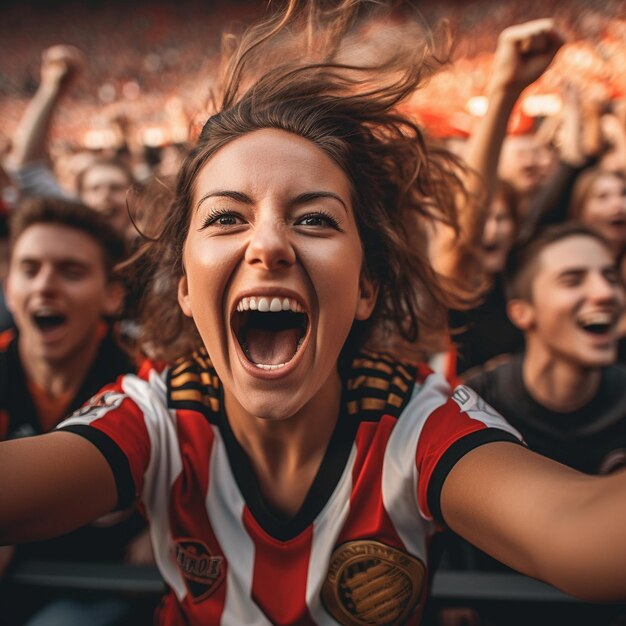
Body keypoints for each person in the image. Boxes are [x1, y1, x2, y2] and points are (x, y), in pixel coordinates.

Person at [3, 3, 626, 625]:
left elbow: (582, 534)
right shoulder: (157, 418)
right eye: (225, 217)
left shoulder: (414, 423)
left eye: (315, 219)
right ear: (185, 286)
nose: (269, 244)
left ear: (365, 286)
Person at [0, 196, 153, 626]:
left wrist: (170, 524)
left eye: (71, 271)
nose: (46, 285)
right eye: (30, 269)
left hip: (109, 595)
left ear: (112, 296)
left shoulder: (150, 383)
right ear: (9, 289)